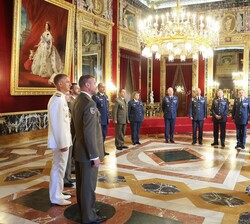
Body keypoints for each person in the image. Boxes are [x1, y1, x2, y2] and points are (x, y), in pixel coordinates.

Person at [72, 75, 107, 224]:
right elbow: (89, 132)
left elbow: (74, 128)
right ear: (87, 85)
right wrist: (94, 155)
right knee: (88, 186)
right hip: (88, 153)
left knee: (81, 185)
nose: (95, 85)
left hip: (79, 149)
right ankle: (89, 217)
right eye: (93, 83)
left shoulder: (78, 101)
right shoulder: (90, 104)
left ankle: (86, 210)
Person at [47, 74, 72, 206]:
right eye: (67, 82)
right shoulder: (57, 100)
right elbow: (58, 124)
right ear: (60, 84)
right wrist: (62, 143)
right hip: (59, 142)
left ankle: (59, 192)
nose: (70, 84)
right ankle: (55, 196)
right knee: (58, 168)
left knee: (60, 168)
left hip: (62, 140)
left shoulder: (61, 98)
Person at [63, 83, 80, 188]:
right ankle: (65, 178)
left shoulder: (76, 100)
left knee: (70, 155)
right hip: (68, 131)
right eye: (67, 94)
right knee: (66, 157)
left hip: (72, 131)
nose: (68, 96)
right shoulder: (67, 103)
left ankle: (68, 176)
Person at [92, 83, 110, 156]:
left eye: (104, 87)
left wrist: (108, 118)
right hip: (99, 120)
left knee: (104, 136)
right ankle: (99, 151)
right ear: (98, 88)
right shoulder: (95, 97)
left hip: (105, 120)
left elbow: (107, 109)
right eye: (102, 87)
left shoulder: (105, 96)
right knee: (99, 137)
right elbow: (94, 108)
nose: (103, 88)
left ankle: (102, 150)